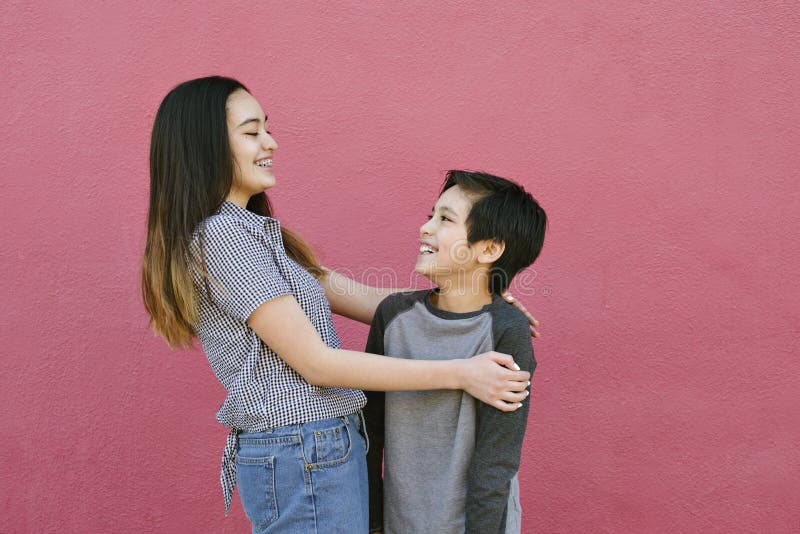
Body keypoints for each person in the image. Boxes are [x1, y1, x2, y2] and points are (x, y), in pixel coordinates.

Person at [141, 76, 533, 533]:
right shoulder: (225, 238)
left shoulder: (256, 234)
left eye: (267, 128)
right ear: (203, 145)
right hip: (301, 450)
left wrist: (475, 300)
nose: (271, 142)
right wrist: (462, 373)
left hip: (315, 449)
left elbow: (368, 299)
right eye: (252, 132)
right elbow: (318, 365)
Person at [364, 170, 547, 534]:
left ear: (490, 249)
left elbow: (496, 460)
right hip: (398, 523)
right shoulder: (393, 315)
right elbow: (370, 433)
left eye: (445, 219)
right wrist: (373, 522)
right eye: (430, 214)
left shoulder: (507, 331)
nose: (425, 228)